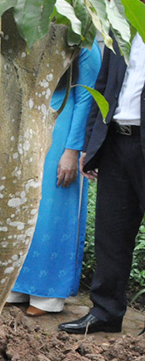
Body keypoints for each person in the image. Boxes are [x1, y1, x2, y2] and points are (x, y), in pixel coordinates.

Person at [5, 42, 102, 316]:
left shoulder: (83, 35)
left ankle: (47, 294)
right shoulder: (37, 27)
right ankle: (21, 284)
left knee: (54, 207)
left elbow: (87, 96)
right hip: (34, 117)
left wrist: (72, 150)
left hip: (65, 123)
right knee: (27, 204)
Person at [59, 31, 145, 334]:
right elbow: (103, 87)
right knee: (111, 232)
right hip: (117, 143)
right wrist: (90, 145)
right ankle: (106, 312)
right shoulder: (122, 30)